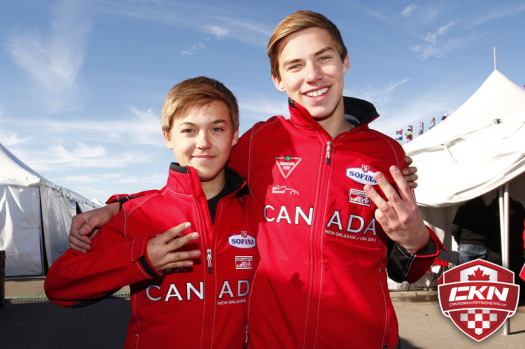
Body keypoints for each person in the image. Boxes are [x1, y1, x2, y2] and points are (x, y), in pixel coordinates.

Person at [68, 11, 442, 349]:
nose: (312, 75)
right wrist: (119, 205)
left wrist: (415, 239)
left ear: (344, 61)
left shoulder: (387, 153)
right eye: (295, 66)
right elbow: (197, 176)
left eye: (324, 58)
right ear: (278, 80)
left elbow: (405, 268)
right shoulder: (259, 142)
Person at [45, 77, 259, 348]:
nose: (203, 142)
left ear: (235, 134)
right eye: (189, 131)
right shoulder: (136, 215)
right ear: (168, 137)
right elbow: (58, 284)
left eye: (217, 128)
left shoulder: (257, 213)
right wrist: (141, 260)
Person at [451, 197, 492, 264]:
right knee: (481, 273)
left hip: (466, 244)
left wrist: (459, 241)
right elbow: (492, 228)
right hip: (482, 244)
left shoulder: (463, 209)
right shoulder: (487, 209)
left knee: (466, 273)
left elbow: (455, 228)